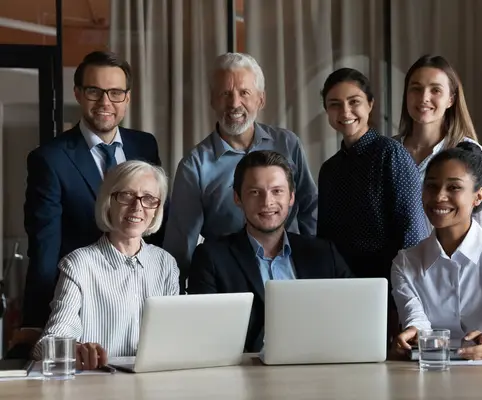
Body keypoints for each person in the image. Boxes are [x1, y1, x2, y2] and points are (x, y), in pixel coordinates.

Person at [17, 51, 165, 348]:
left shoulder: (145, 144)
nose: (105, 102)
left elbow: (154, 223)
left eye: (115, 92)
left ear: (127, 97)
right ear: (78, 94)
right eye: (94, 91)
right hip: (82, 303)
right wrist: (34, 322)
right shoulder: (50, 159)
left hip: (141, 299)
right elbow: (44, 246)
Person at [164, 52, 318, 291]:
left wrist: (308, 259)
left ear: (261, 99)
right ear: (213, 100)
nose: (234, 103)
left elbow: (310, 207)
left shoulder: (287, 144)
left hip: (292, 276)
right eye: (225, 93)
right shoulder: (195, 165)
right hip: (232, 282)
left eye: (244, 93)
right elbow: (181, 243)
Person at [187, 150, 352, 352]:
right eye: (255, 192)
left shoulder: (324, 254)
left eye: (277, 191)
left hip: (318, 369)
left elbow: (352, 315)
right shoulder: (211, 258)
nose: (267, 202)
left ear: (291, 197)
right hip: (245, 376)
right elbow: (205, 336)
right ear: (238, 198)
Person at [31, 161, 178, 369]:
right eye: (126, 195)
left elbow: (174, 338)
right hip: (98, 385)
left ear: (157, 209)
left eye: (148, 199)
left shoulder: (166, 264)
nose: (137, 207)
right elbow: (45, 345)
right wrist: (75, 349)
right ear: (109, 201)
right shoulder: (78, 264)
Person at [392, 142, 482, 361]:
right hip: (432, 367)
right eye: (431, 186)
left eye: (454, 187)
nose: (439, 197)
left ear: (478, 196)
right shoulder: (405, 262)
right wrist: (414, 333)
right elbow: (416, 318)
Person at [317, 67, 428, 283]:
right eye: (335, 105)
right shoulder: (329, 170)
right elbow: (325, 241)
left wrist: (405, 296)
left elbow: (412, 233)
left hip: (390, 285)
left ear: (370, 104)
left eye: (354, 102)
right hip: (340, 285)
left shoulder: (391, 154)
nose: (345, 112)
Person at [393, 54, 482, 231]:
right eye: (416, 89)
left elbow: (479, 226)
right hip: (395, 257)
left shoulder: (470, 153)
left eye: (435, 90)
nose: (424, 97)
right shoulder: (388, 151)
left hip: (450, 257)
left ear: (451, 99)